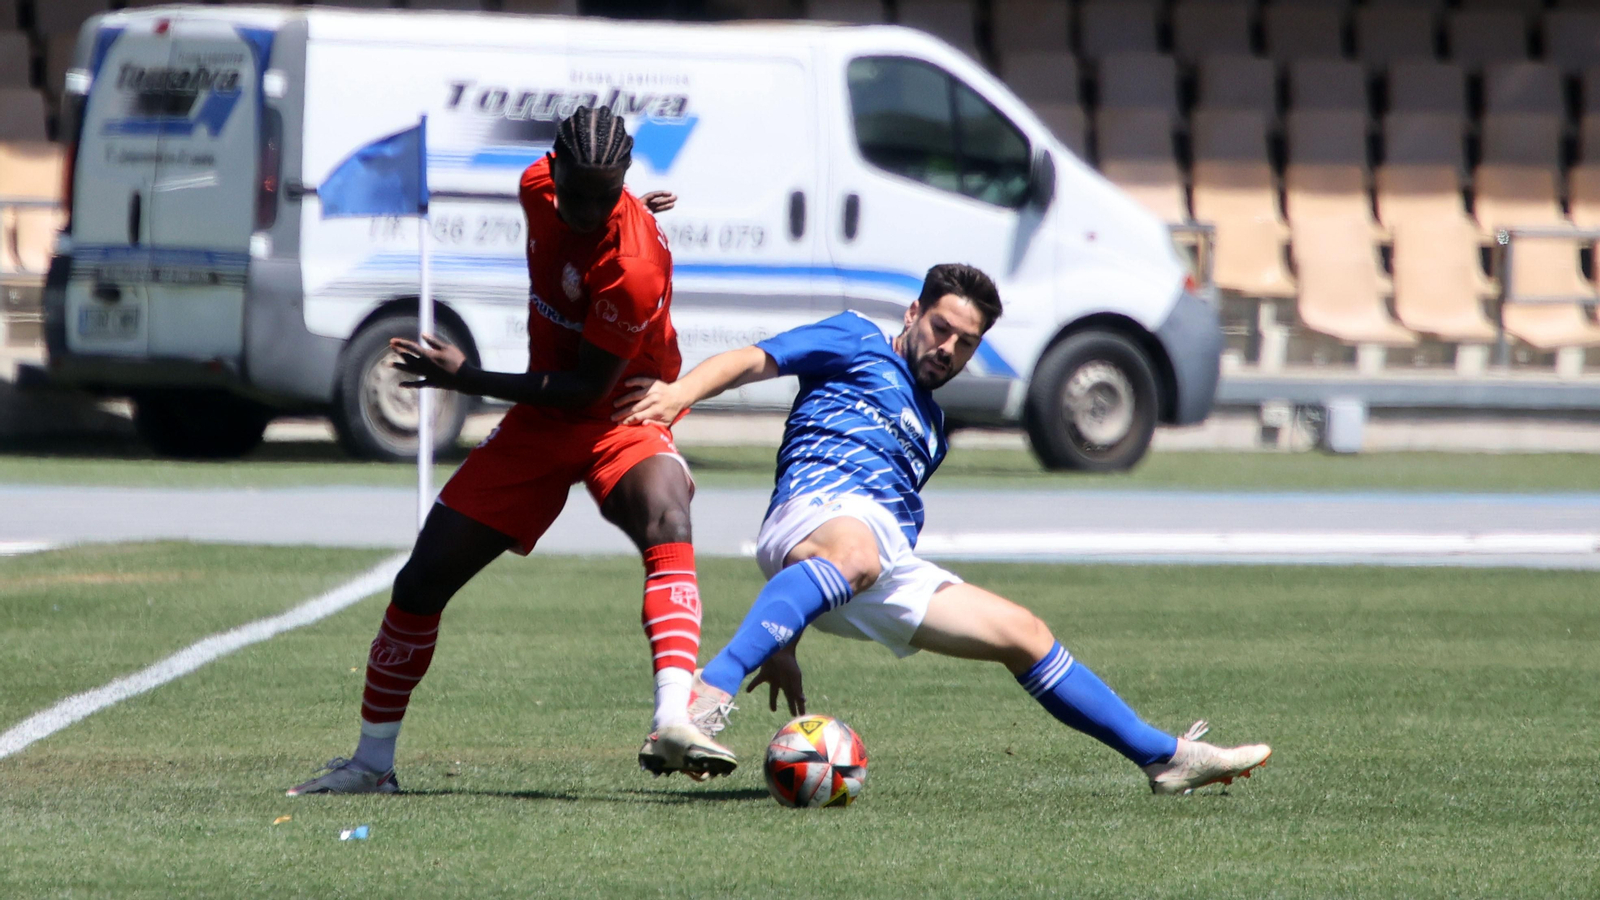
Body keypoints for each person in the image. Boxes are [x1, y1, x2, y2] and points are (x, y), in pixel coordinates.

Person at [615, 263, 1272, 795]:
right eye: (940, 327)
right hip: (819, 506)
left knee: (1025, 634)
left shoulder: (931, 430)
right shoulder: (854, 338)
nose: (948, 347)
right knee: (857, 550)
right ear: (912, 314)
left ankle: (1164, 757)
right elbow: (750, 359)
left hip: (872, 557)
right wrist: (679, 396)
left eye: (966, 341)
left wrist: (783, 644)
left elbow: (846, 561)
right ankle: (706, 694)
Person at [287, 106, 734, 796]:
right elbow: (577, 265)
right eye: (577, 192)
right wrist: (626, 210)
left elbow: (588, 383)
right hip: (541, 422)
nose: (587, 209)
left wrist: (466, 379)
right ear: (551, 171)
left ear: (623, 180)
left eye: (605, 194)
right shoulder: (535, 187)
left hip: (620, 411)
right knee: (420, 581)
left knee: (666, 516)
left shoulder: (634, 266)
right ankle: (372, 763)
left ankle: (673, 717)